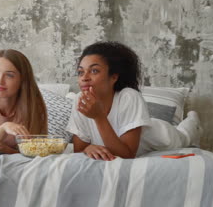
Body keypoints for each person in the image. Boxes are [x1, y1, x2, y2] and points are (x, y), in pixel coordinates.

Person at [66, 41, 201, 161]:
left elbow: (127, 155)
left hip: (158, 134)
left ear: (114, 77)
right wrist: (87, 148)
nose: (84, 78)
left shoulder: (129, 97)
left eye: (94, 71)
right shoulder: (80, 100)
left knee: (185, 136)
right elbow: (79, 148)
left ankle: (193, 121)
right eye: (80, 72)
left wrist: (99, 116)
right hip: (136, 127)